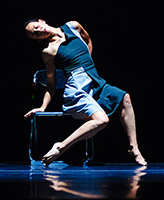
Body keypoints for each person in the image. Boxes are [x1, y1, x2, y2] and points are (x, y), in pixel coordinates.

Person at [24, 19, 147, 166]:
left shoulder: (72, 26)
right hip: (76, 88)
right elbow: (51, 83)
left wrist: (88, 63)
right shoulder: (48, 51)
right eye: (35, 35)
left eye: (37, 27)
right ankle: (61, 147)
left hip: (94, 80)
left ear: (41, 21)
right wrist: (43, 107)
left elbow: (88, 40)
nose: (38, 32)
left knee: (124, 98)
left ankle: (134, 148)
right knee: (101, 121)